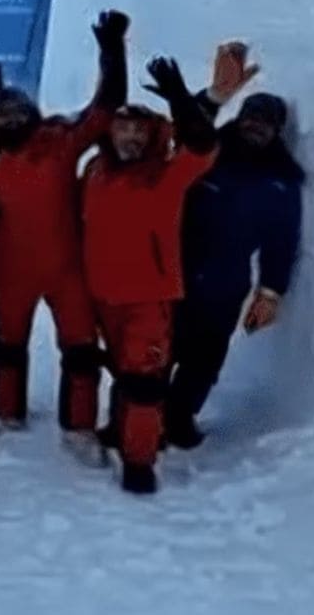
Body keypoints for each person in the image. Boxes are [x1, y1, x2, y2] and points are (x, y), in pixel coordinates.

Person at [0, 10, 131, 466]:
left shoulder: (58, 141)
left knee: (80, 352)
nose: (11, 119)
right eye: (1, 113)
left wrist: (112, 51)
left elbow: (105, 110)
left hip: (65, 269)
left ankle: (79, 428)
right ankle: (5, 416)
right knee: (7, 348)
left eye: (19, 112)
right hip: (9, 273)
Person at [81, 54, 233, 495]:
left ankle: (140, 460)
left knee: (146, 382)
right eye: (123, 129)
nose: (130, 137)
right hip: (102, 295)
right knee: (121, 370)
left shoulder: (168, 175)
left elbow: (203, 145)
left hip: (149, 297)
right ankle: (119, 428)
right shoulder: (95, 172)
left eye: (139, 131)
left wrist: (181, 98)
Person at [166, 87, 301, 448]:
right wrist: (207, 95)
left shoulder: (282, 180)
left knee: (205, 359)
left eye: (266, 123)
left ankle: (178, 418)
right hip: (175, 270)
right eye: (251, 117)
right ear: (240, 118)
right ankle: (134, 420)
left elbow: (282, 243)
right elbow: (186, 127)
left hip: (226, 282)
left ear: (277, 131)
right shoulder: (207, 150)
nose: (256, 127)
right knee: (158, 349)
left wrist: (271, 292)